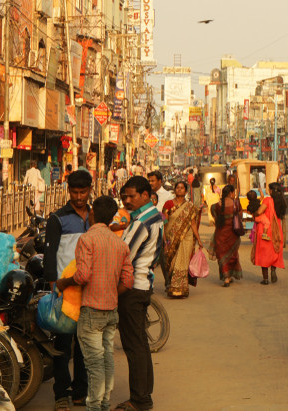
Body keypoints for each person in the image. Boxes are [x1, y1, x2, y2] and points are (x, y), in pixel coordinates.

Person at [55, 197, 133, 411]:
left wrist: (64, 282)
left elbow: (82, 276)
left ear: (93, 215)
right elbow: (128, 281)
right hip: (111, 309)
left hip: (91, 311)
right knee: (106, 358)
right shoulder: (120, 243)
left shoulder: (87, 240)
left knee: (94, 364)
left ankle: (96, 407)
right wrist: (109, 293)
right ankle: (104, 403)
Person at [43, 170, 93, 410]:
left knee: (84, 344)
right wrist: (54, 287)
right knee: (62, 345)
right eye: (75, 192)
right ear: (68, 191)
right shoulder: (57, 218)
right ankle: (61, 393)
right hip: (65, 291)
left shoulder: (94, 217)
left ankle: (80, 391)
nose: (79, 196)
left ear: (90, 190)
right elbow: (49, 256)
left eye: (83, 192)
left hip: (89, 290)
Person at [116, 176, 164, 411]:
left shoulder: (141, 222)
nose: (127, 200)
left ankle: (140, 399)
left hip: (133, 288)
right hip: (143, 286)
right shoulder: (153, 216)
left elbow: (124, 257)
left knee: (134, 346)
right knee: (140, 344)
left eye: (131, 196)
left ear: (145, 195)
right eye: (124, 196)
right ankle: (143, 396)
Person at [160, 181, 203, 299]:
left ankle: (180, 289)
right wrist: (164, 240)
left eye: (182, 188)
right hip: (170, 237)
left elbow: (193, 223)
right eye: (177, 187)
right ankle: (171, 285)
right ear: (174, 190)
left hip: (186, 239)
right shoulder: (168, 204)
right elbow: (164, 222)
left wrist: (198, 239)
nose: (179, 189)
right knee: (171, 263)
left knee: (183, 262)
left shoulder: (189, 206)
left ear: (186, 191)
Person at [247, 190, 285, 285]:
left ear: (272, 191)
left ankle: (265, 279)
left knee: (263, 254)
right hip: (276, 229)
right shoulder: (280, 202)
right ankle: (273, 269)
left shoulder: (267, 200)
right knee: (273, 251)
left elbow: (259, 211)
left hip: (264, 230)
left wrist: (254, 215)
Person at [210, 184, 243, 287]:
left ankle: (226, 278)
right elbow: (240, 217)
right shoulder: (236, 204)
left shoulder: (217, 205)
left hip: (220, 234)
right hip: (233, 234)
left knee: (222, 256)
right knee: (232, 255)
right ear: (231, 193)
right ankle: (229, 275)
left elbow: (214, 214)